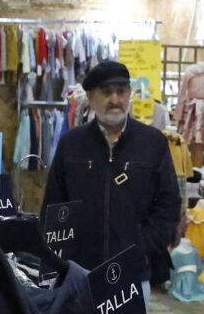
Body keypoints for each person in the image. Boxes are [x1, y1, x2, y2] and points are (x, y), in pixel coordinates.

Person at [40, 58, 183, 287]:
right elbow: (54, 205)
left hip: (133, 272)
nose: (115, 99)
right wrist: (59, 260)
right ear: (90, 98)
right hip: (79, 273)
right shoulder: (71, 144)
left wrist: (143, 244)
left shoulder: (153, 142)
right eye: (106, 92)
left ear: (129, 94)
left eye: (121, 91)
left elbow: (169, 201)